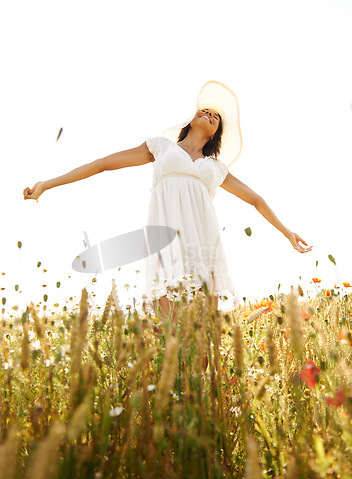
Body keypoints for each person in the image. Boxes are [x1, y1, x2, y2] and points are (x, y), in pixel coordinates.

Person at [23, 81, 313, 323]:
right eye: (205, 110)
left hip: (202, 241)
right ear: (190, 119)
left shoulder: (215, 167)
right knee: (167, 324)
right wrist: (47, 185)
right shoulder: (161, 148)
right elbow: (102, 164)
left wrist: (287, 232)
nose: (209, 114)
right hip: (165, 241)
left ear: (216, 134)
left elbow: (257, 200)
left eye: (216, 116)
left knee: (203, 327)